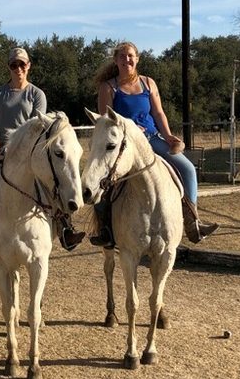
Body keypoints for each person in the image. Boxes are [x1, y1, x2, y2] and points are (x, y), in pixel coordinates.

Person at [0, 46, 85, 252]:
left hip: (28, 153)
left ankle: (65, 226)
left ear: (28, 66)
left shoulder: (36, 94)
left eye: (22, 64)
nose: (18, 68)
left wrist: (21, 148)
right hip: (1, 150)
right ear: (9, 67)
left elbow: (39, 126)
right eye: (14, 65)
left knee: (51, 181)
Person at [92, 41, 217, 246]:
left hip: (151, 138)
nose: (127, 60)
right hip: (125, 144)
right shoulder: (109, 87)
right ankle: (105, 229)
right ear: (115, 61)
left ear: (137, 58)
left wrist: (168, 136)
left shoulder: (148, 83)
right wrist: (130, 129)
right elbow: (107, 122)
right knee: (101, 179)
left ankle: (193, 222)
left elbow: (158, 113)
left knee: (187, 169)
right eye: (122, 56)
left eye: (130, 55)